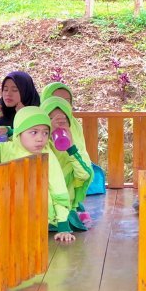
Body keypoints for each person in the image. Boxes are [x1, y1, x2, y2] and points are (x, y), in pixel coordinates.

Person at [0, 106, 75, 243]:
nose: (40, 138)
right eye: (34, 132)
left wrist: (63, 226)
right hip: (8, 214)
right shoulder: (6, 149)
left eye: (45, 133)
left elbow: (58, 190)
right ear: (19, 132)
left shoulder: (47, 156)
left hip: (37, 216)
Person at [41, 93, 93, 230]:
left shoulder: (74, 148)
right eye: (50, 119)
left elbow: (84, 175)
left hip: (64, 210)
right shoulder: (38, 144)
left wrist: (71, 148)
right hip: (40, 209)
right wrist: (46, 133)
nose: (56, 124)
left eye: (62, 120)